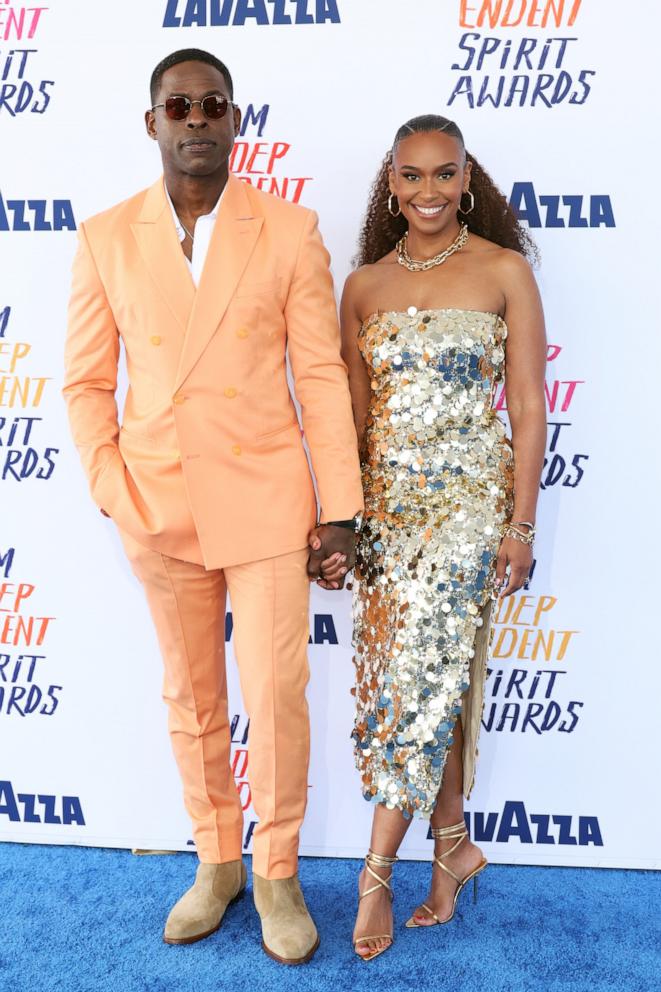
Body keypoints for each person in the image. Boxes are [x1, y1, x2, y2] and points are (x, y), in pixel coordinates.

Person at [63, 48, 363, 965]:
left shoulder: (289, 229)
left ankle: (276, 870)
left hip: (266, 494)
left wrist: (340, 505)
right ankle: (217, 860)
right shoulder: (106, 236)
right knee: (191, 697)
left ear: (236, 121)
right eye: (178, 105)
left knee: (274, 694)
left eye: (213, 104)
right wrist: (114, 488)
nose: (196, 118)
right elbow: (83, 383)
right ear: (151, 123)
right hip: (156, 501)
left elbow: (317, 373)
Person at [321, 115, 546, 960]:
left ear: (467, 181)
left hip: (468, 509)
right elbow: (354, 418)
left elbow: (526, 407)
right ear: (390, 186)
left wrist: (519, 525)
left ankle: (374, 872)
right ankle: (451, 846)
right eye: (410, 177)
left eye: (443, 175)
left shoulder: (502, 271)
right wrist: (343, 521)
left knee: (418, 676)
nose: (427, 192)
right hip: (386, 516)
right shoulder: (364, 287)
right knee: (428, 679)